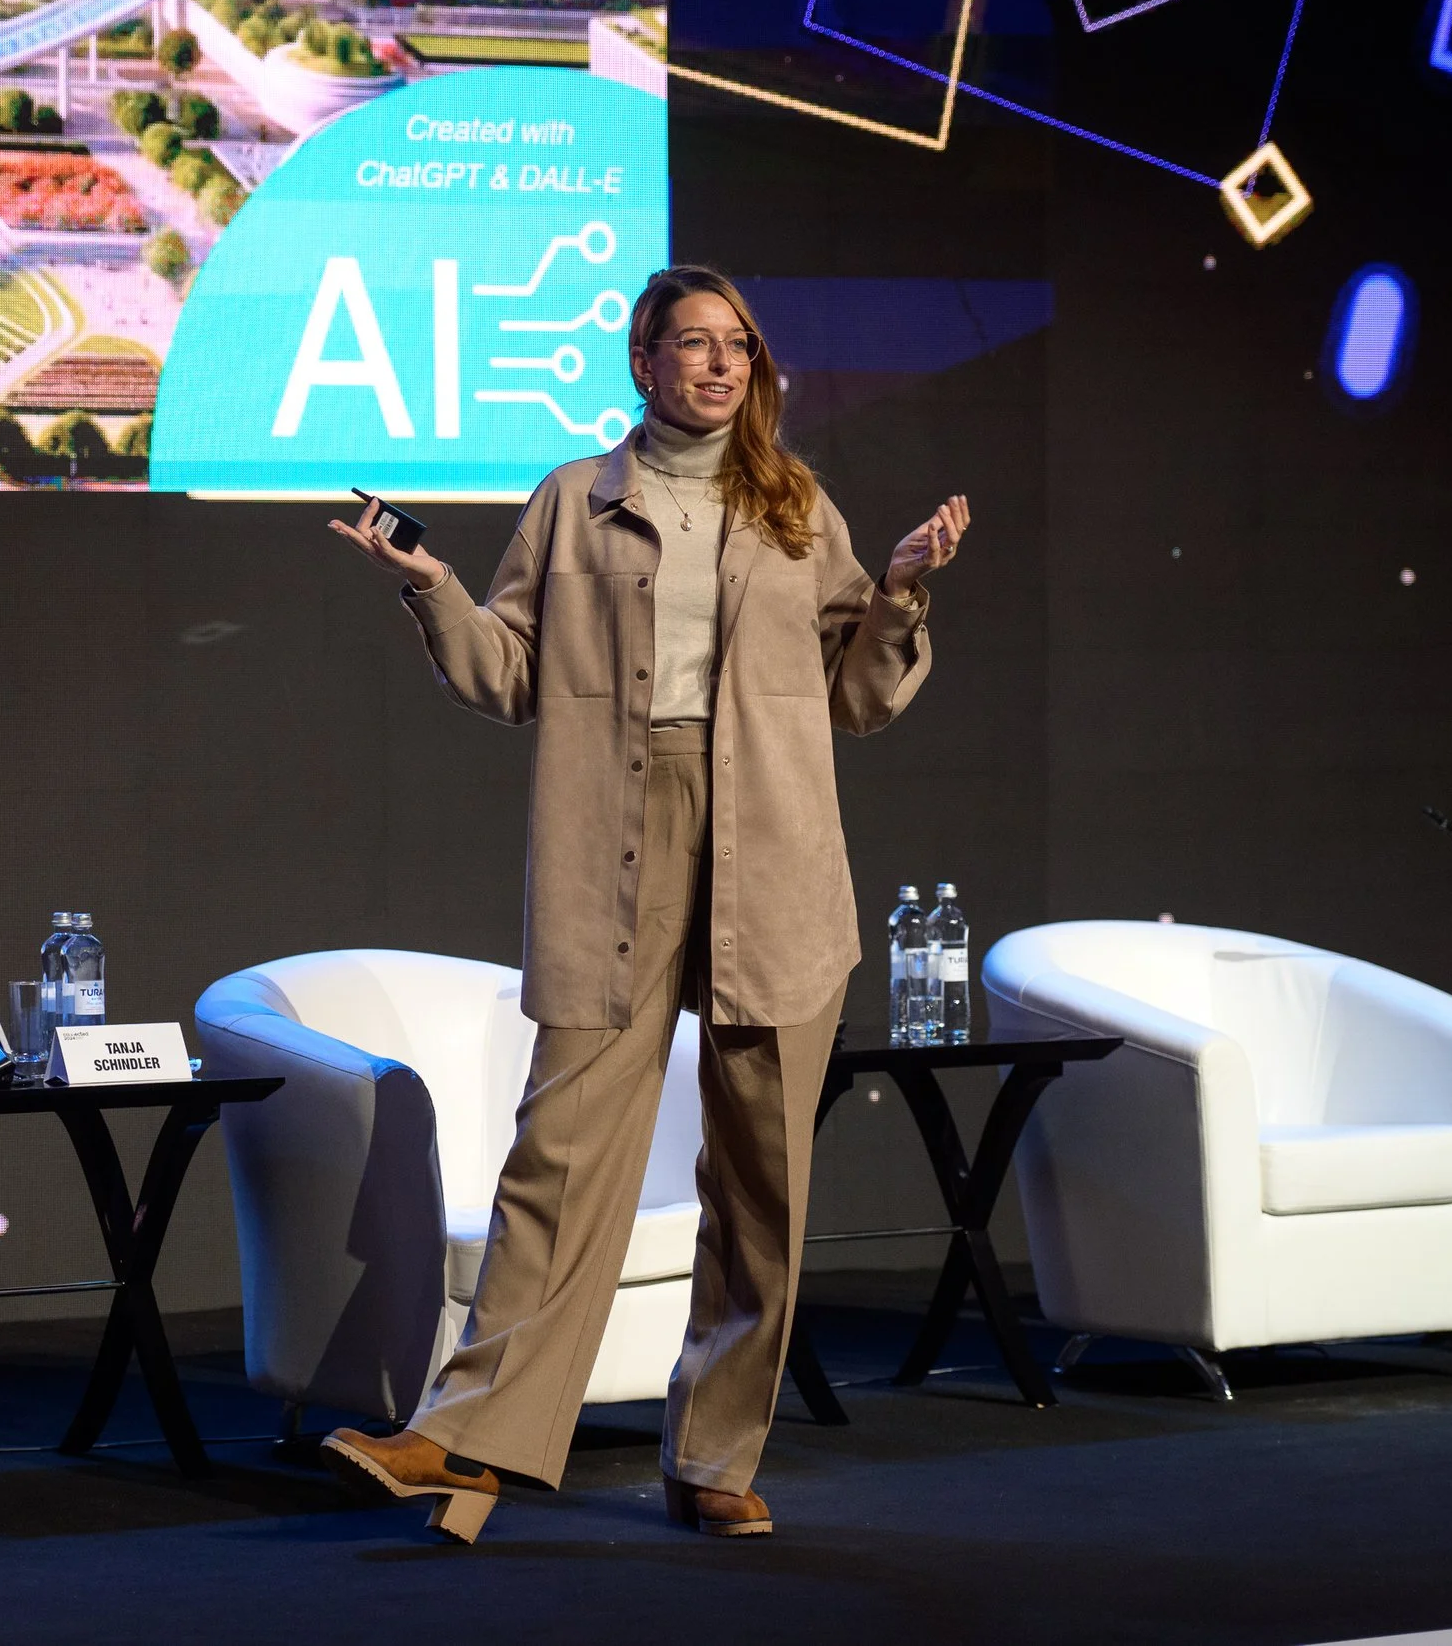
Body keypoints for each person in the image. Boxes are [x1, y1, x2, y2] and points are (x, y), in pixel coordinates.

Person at [322, 265, 969, 1544]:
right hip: (613, 835)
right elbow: (510, 675)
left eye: (739, 344)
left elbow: (858, 696)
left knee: (761, 1181)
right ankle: (462, 1437)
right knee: (558, 1156)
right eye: (693, 342)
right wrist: (432, 583)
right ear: (642, 360)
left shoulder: (796, 505)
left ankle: (712, 1454)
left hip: (772, 845)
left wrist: (897, 590)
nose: (720, 364)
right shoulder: (575, 498)